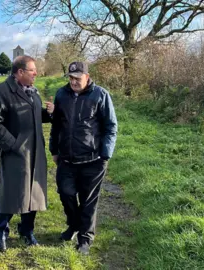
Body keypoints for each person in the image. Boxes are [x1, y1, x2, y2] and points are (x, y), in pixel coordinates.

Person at [0, 55, 54, 252]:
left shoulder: (33, 93)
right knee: (12, 193)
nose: (36, 73)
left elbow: (34, 115)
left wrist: (48, 113)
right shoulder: (1, 92)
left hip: (35, 151)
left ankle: (26, 231)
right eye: (32, 70)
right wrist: (12, 145)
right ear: (20, 72)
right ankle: (1, 232)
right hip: (16, 152)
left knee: (33, 193)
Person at [49, 61, 118, 255]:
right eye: (71, 78)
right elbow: (57, 125)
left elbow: (111, 126)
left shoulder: (100, 95)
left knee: (88, 201)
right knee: (66, 193)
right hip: (66, 159)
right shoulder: (61, 94)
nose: (73, 81)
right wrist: (54, 149)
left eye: (77, 78)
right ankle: (73, 225)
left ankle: (85, 239)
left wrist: (106, 153)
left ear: (87, 77)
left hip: (93, 160)